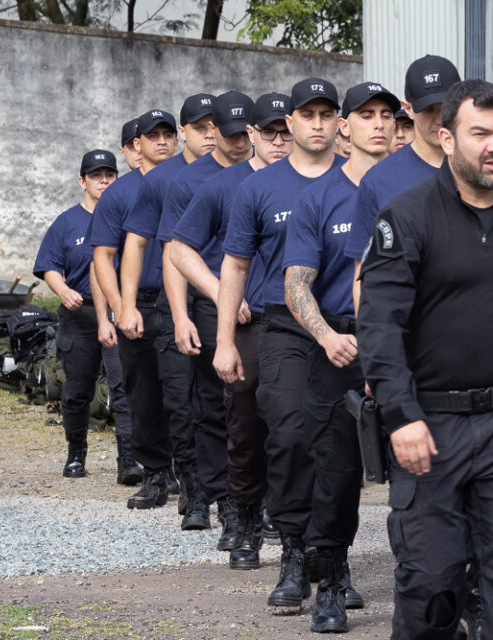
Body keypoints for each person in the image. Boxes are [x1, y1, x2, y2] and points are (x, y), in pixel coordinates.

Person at [358, 78, 493, 640]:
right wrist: (401, 415)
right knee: (432, 590)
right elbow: (379, 324)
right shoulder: (406, 217)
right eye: (480, 133)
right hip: (430, 426)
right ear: (446, 137)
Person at [217, 76, 351, 611]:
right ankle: (294, 553)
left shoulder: (360, 181)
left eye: (326, 114)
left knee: (340, 447)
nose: (317, 124)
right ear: (289, 123)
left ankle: (333, 559)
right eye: (307, 115)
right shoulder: (257, 188)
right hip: (285, 327)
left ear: (339, 122)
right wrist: (224, 340)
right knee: (291, 434)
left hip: (348, 329)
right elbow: (234, 265)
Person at [283, 80, 399, 633]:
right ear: (344, 127)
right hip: (339, 346)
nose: (379, 123)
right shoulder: (319, 197)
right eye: (366, 114)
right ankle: (329, 580)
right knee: (336, 472)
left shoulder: (421, 190)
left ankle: (436, 583)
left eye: (388, 115)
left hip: (409, 346)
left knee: (423, 469)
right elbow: (296, 284)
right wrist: (327, 336)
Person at [170, 92, 293, 570]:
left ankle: (290, 525)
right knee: (244, 427)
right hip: (250, 323)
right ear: (253, 136)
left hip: (303, 325)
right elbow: (180, 250)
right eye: (269, 133)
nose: (279, 141)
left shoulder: (314, 182)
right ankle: (242, 522)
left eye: (287, 131)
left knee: (294, 430)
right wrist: (223, 290)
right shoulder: (225, 186)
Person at [151, 91, 254, 542]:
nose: (220, 136)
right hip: (210, 306)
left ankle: (261, 500)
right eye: (211, 127)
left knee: (260, 408)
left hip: (266, 305)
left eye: (227, 127)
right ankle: (226, 501)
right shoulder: (191, 182)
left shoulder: (273, 172)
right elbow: (173, 253)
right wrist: (180, 315)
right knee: (215, 407)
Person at [119, 94, 217, 516]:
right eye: (200, 127)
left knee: (228, 399)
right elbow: (135, 244)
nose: (210, 134)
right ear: (184, 134)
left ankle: (238, 493)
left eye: (215, 126)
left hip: (227, 299)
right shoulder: (161, 180)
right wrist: (126, 304)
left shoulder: (239, 171)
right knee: (177, 398)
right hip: (172, 299)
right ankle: (191, 488)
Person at [89, 108, 180, 510]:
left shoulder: (192, 182)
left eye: (167, 134)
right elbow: (103, 257)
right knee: (143, 392)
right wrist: (120, 307)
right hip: (140, 303)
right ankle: (156, 475)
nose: (161, 141)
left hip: (187, 302)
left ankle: (195, 476)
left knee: (188, 391)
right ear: (135, 145)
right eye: (152, 135)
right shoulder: (118, 194)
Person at [34, 150, 138, 484]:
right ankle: (76, 453)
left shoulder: (128, 218)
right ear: (83, 181)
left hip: (119, 311)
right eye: (96, 176)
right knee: (77, 390)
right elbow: (49, 265)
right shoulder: (66, 222)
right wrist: (63, 291)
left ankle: (128, 460)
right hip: (81, 313)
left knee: (123, 386)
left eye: (110, 175)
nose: (104, 181)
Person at [343, 54, 461, 293]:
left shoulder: (481, 169)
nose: (439, 119)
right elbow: (363, 273)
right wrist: (371, 330)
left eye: (445, 107)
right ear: (408, 109)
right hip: (406, 321)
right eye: (428, 109)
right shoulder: (379, 180)